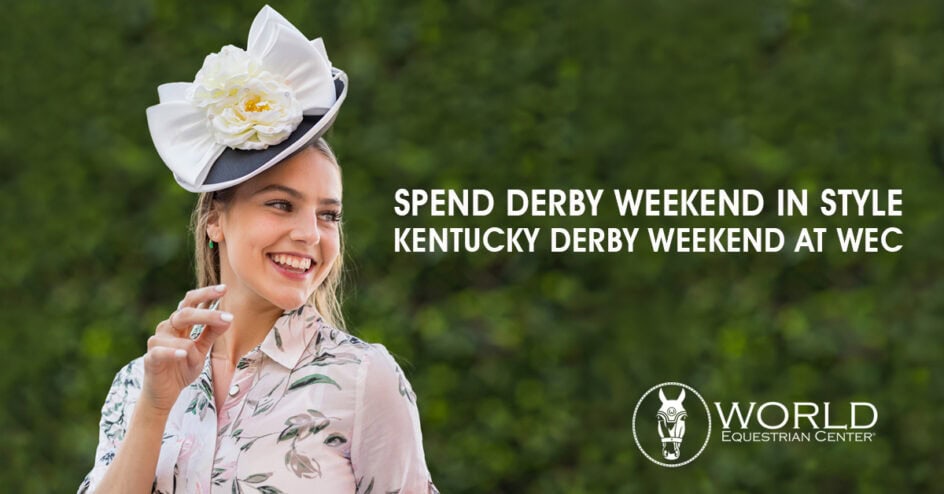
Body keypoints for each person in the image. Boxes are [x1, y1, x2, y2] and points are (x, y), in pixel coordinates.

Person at [79, 6, 438, 493]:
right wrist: (155, 407)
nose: (311, 233)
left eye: (328, 214)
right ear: (215, 220)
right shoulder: (138, 384)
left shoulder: (363, 380)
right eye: (281, 205)